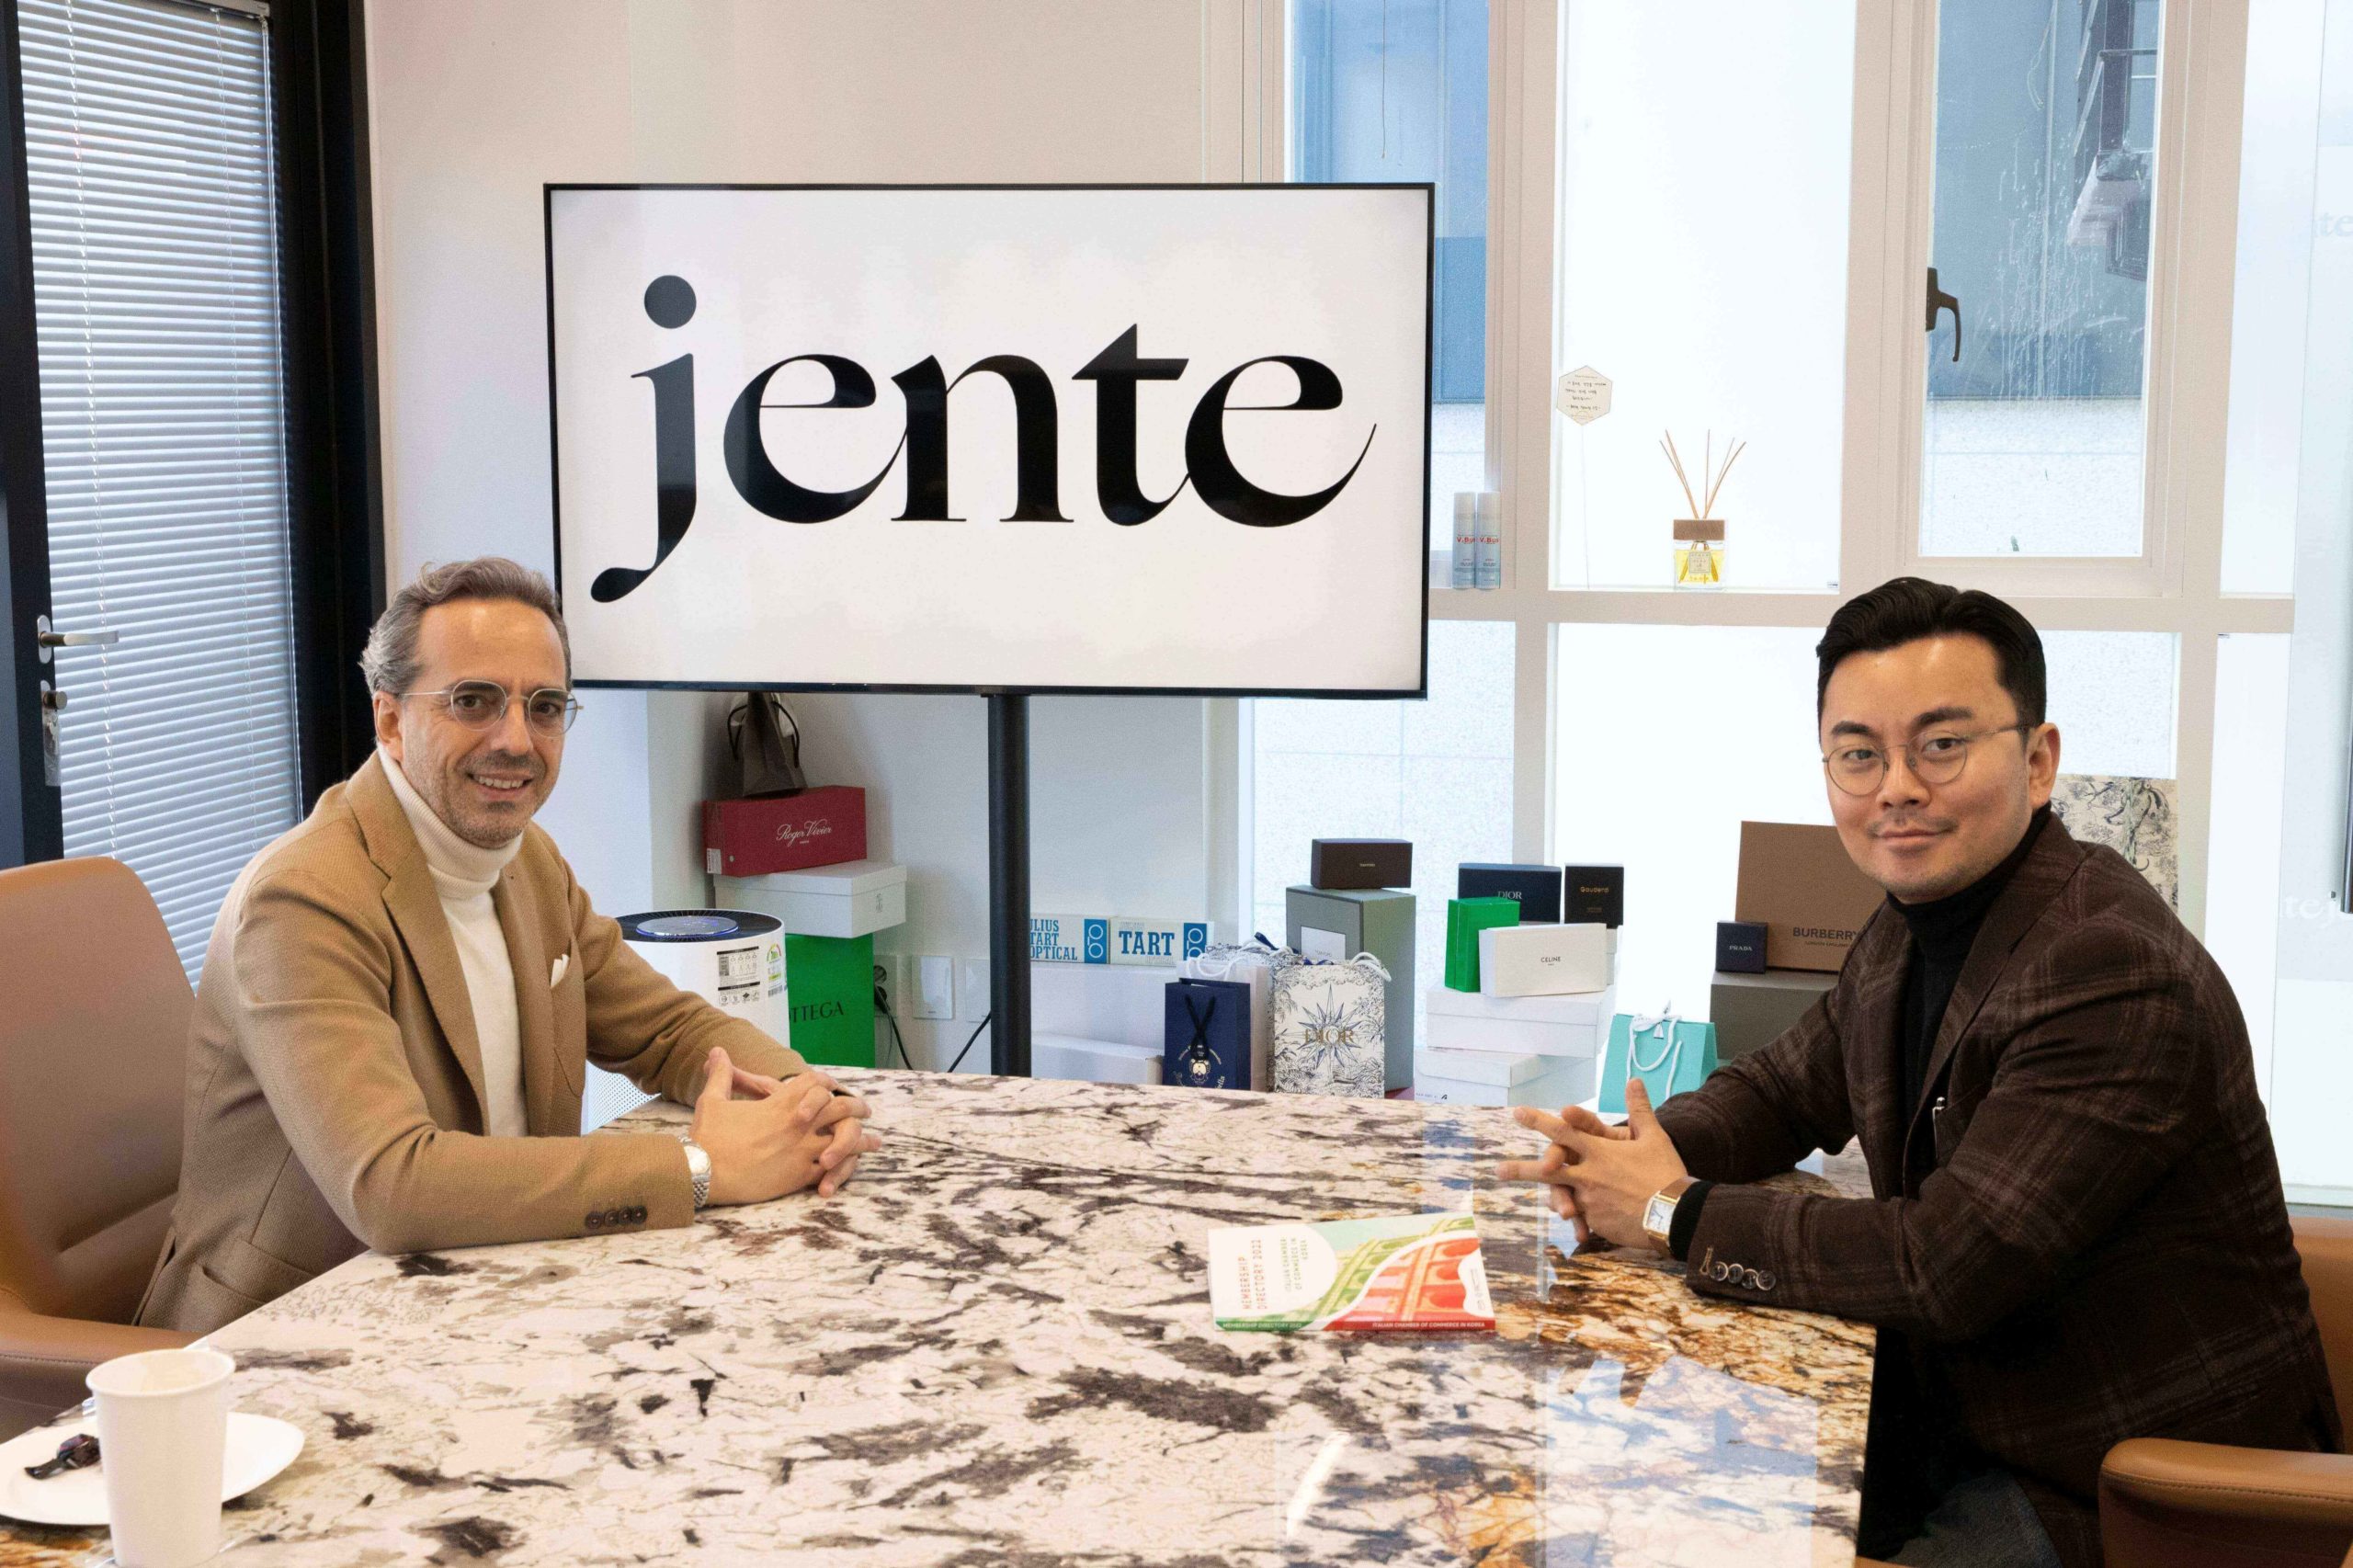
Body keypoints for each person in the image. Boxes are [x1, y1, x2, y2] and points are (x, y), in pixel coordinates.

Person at [1500, 578, 2339, 1567]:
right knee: (1627, 1504)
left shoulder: (2111, 967)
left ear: (2038, 760)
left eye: (1941, 745)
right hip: (1955, 1406)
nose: (1895, 786)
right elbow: (1783, 1088)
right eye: (1859, 754)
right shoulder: (1915, 923)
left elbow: (1945, 1263)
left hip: (2116, 1475)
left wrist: (1669, 1209)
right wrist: (1633, 1152)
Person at [138, 557, 879, 1335]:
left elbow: (668, 1029)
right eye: (474, 701)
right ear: (390, 720)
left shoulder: (528, 862)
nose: (517, 740)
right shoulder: (302, 899)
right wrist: (699, 1169)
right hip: (286, 1339)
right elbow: (391, 1185)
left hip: (488, 1291)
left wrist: (801, 1104)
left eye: (545, 707)